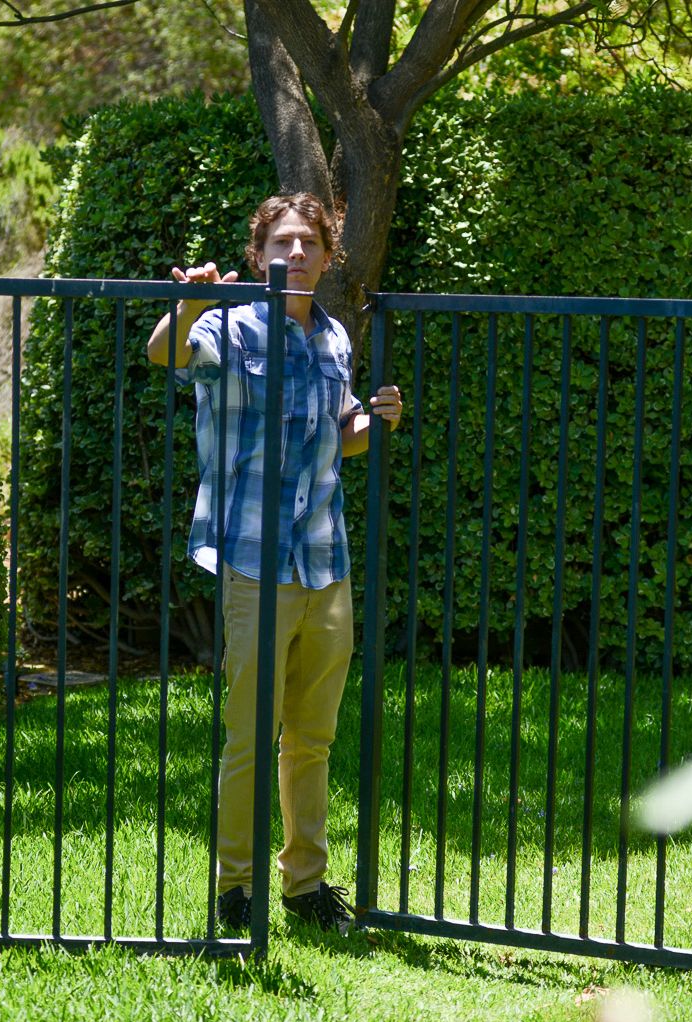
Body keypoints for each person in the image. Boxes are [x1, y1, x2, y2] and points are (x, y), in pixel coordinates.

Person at [145, 192, 404, 935]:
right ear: (257, 256)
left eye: (309, 245)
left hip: (326, 558)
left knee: (312, 739)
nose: (295, 256)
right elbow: (164, 353)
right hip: (254, 560)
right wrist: (188, 303)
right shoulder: (228, 325)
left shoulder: (333, 338)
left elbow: (339, 432)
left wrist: (372, 419)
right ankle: (236, 888)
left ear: (327, 258)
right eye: (281, 244)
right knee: (249, 734)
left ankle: (304, 886)